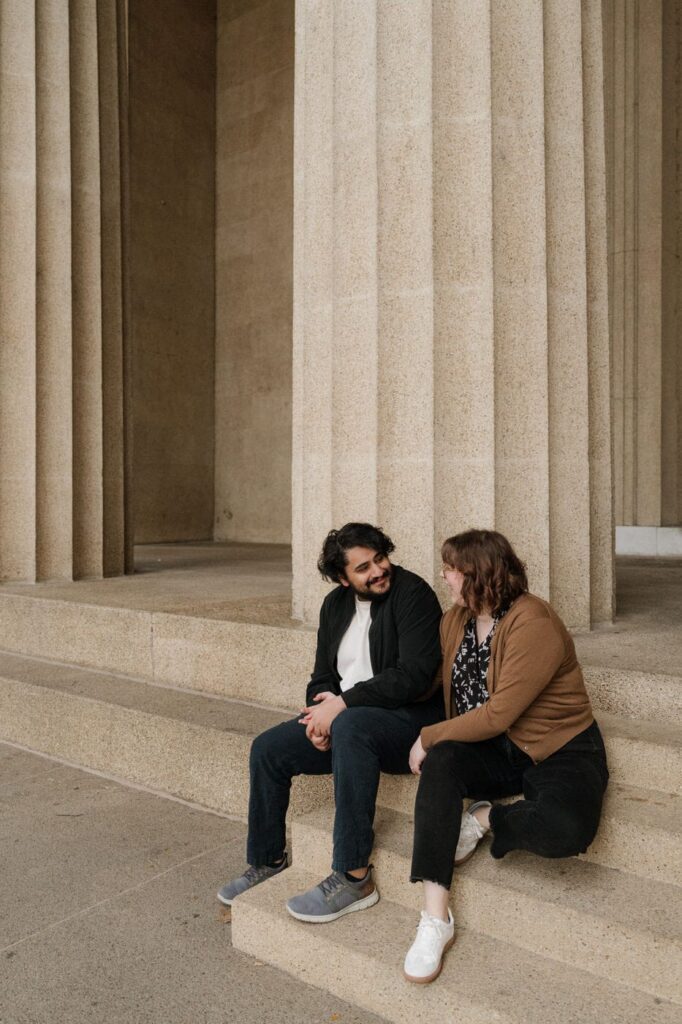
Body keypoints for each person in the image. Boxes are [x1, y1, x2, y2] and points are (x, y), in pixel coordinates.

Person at [403, 529, 609, 983]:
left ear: (479, 574)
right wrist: (355, 705)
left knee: (567, 829)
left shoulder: (532, 620)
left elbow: (498, 714)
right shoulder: (455, 621)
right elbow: (430, 682)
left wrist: (428, 736)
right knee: (443, 763)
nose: (444, 577)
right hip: (499, 749)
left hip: (559, 746)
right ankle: (436, 918)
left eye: (452, 569)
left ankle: (484, 818)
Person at [217, 522, 444, 922]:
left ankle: (354, 877)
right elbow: (322, 677)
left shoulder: (413, 594)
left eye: (380, 558)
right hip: (347, 719)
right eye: (363, 567)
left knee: (351, 726)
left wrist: (341, 706)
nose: (378, 570)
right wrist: (317, 718)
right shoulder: (335, 606)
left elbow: (414, 676)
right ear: (342, 577)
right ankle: (267, 860)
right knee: (268, 749)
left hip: (407, 723)